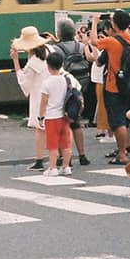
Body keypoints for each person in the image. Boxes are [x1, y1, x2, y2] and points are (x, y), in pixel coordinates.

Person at [82, 9, 130, 165]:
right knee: (128, 119)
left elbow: (94, 42)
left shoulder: (112, 41)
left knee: (117, 121)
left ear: (114, 24)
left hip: (114, 85)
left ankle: (122, 154)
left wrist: (94, 22)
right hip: (129, 83)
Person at [49, 19, 91, 166]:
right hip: (80, 86)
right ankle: (82, 155)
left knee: (64, 122)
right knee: (76, 122)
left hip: (64, 88)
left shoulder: (56, 49)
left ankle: (64, 157)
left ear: (59, 33)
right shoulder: (81, 46)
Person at [10, 26, 49, 171]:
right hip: (56, 91)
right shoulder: (51, 51)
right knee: (58, 126)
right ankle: (63, 158)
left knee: (40, 129)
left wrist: (15, 61)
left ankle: (39, 160)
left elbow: (24, 85)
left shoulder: (33, 63)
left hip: (40, 96)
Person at [37, 53, 73, 177]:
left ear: (48, 66)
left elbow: (43, 102)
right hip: (65, 115)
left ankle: (52, 168)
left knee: (53, 144)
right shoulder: (65, 79)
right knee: (65, 143)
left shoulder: (46, 82)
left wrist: (40, 117)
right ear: (61, 64)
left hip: (52, 117)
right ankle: (66, 167)